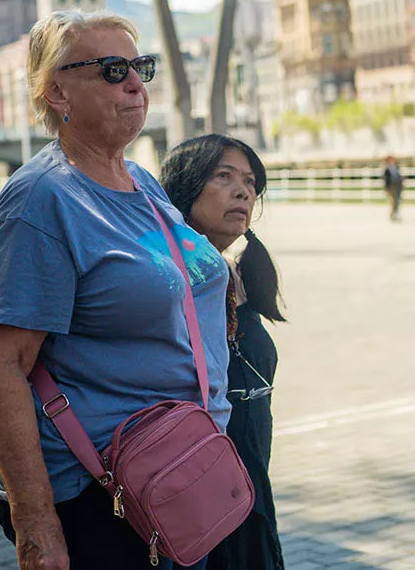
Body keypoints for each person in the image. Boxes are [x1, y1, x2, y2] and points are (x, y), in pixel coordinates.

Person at [0, 11, 232, 569]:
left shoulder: (142, 182)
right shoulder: (39, 203)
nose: (135, 84)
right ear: (56, 91)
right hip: (94, 489)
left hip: (179, 464)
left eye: (141, 67)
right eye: (113, 70)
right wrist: (35, 524)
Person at [161, 135, 287, 570]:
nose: (243, 192)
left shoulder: (235, 277)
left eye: (250, 182)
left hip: (249, 481)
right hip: (193, 489)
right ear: (184, 187)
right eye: (223, 176)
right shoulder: (162, 282)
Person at [382, 155, 404, 221]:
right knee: (393, 202)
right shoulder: (387, 169)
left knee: (397, 201)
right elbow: (386, 180)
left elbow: (399, 177)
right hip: (391, 187)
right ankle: (393, 215)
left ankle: (395, 214)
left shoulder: (396, 168)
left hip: (398, 187)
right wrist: (386, 188)